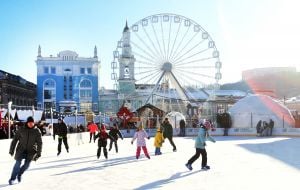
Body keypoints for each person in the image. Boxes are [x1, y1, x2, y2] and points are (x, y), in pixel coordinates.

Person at [8, 116, 42, 185]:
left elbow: (39, 143)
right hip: (21, 150)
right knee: (17, 163)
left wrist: (38, 153)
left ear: (34, 123)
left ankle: (19, 174)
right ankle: (12, 179)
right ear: (27, 122)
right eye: (29, 123)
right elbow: (15, 140)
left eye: (32, 123)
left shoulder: (37, 131)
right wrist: (12, 150)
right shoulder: (21, 129)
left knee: (26, 165)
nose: (30, 124)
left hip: (31, 151)